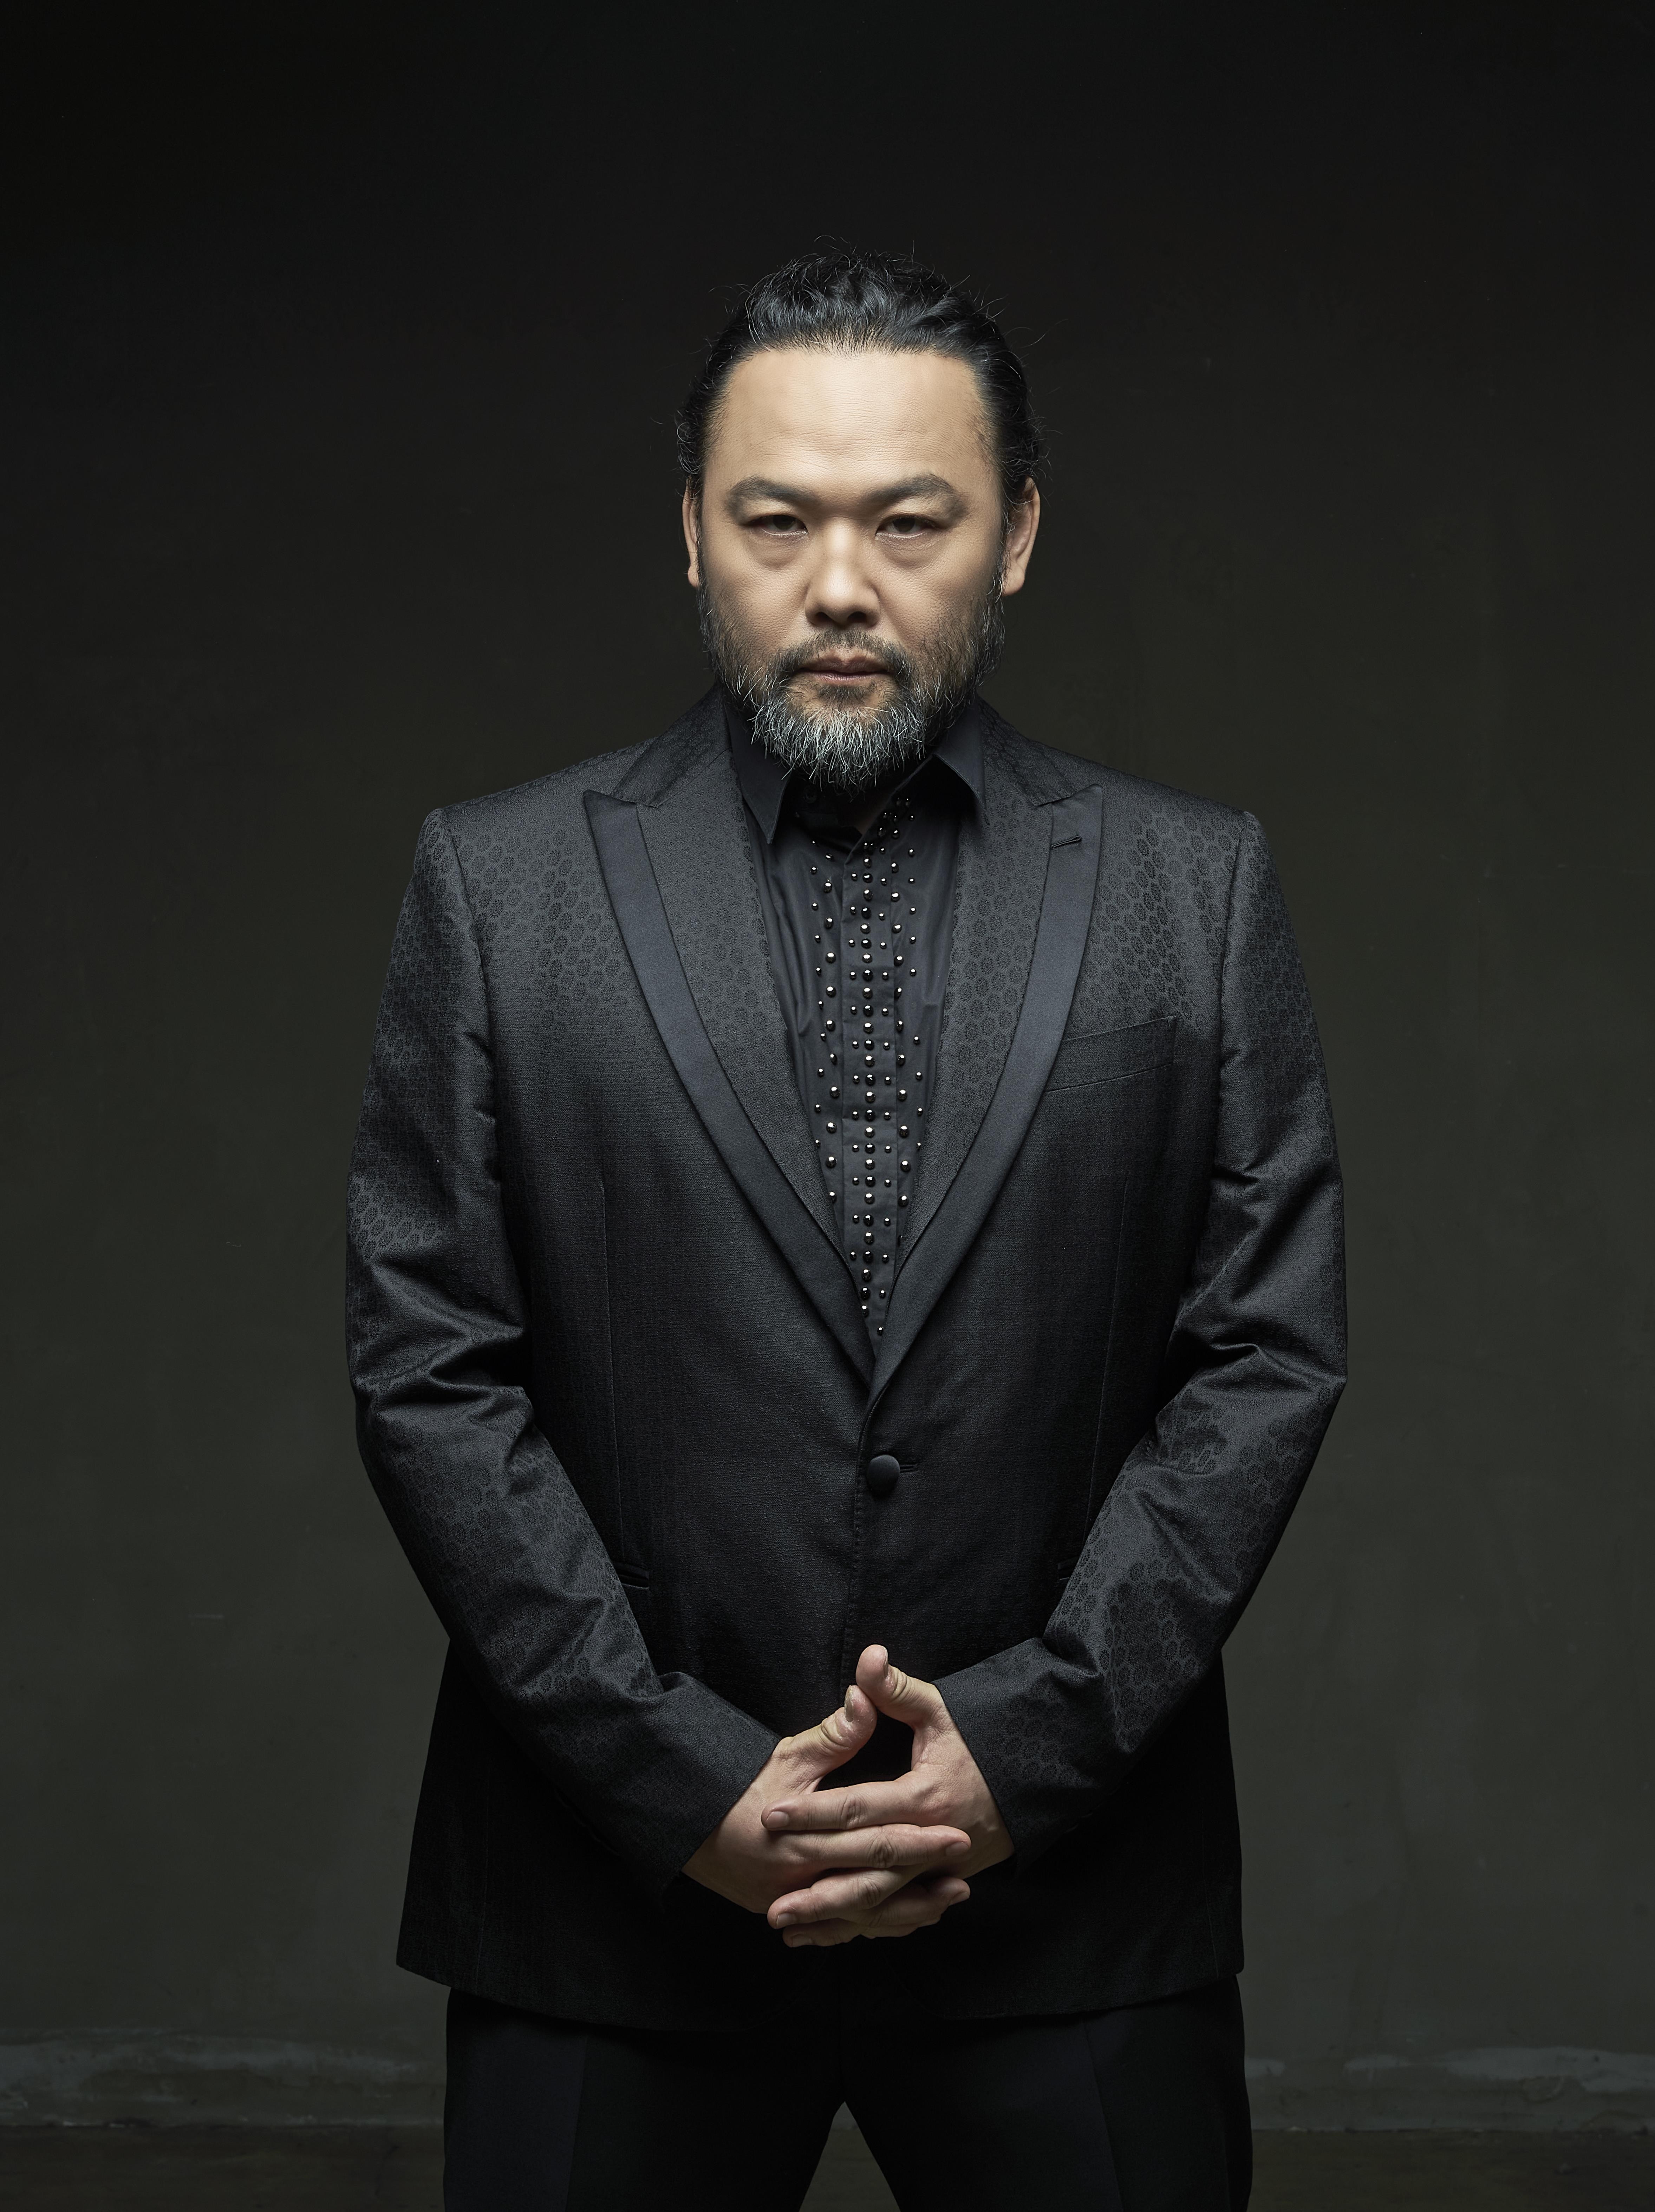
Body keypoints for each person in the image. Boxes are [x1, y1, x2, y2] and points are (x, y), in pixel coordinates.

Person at [346, 249, 1345, 2211]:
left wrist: (1023, 1752)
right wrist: (681, 1777)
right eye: (774, 519)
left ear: (1017, 534)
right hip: (612, 1908)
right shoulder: (498, 887)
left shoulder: (1193, 889)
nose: (836, 586)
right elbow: (428, 1366)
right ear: (690, 535)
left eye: (908, 522)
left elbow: (1264, 1353)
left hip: (1069, 1911)